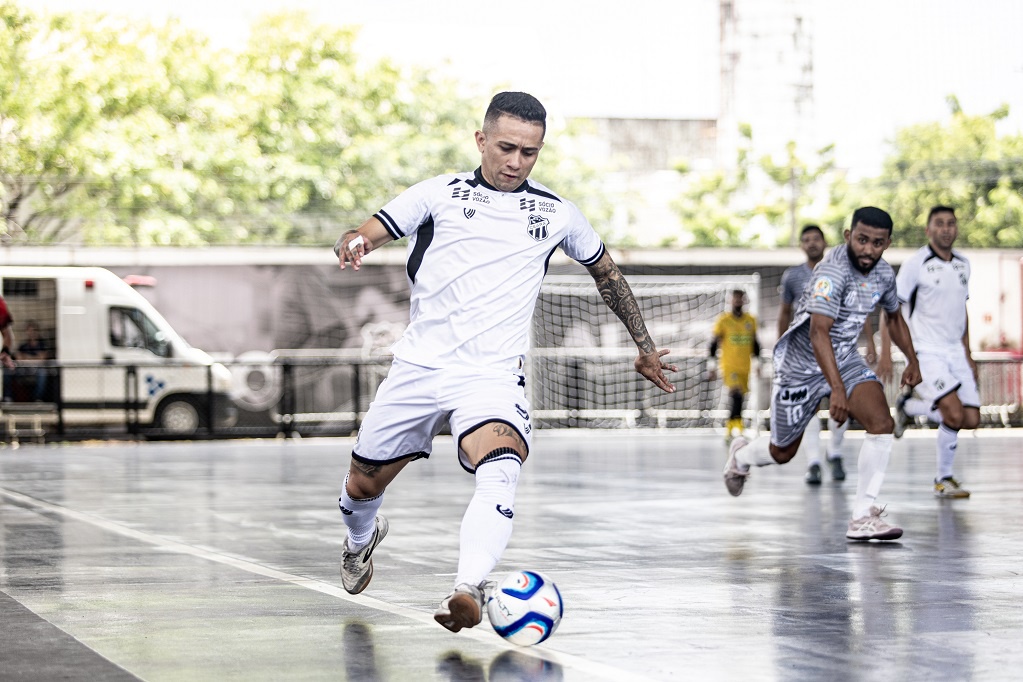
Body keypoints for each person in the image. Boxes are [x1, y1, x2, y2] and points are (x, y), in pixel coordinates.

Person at [332, 92, 677, 633]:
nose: (517, 162)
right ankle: (361, 539)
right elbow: (372, 228)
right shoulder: (438, 194)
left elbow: (606, 273)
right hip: (418, 369)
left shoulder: (557, 213)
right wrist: (355, 240)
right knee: (361, 486)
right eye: (507, 148)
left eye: (530, 153)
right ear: (482, 141)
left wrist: (644, 345)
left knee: (501, 467)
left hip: (491, 376)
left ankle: (466, 589)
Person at [723, 206, 922, 541]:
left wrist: (912, 359)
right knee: (782, 452)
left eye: (877, 243)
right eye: (861, 240)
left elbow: (894, 316)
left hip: (843, 357)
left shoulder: (884, 274)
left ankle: (862, 516)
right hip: (800, 367)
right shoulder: (832, 272)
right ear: (848, 237)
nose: (868, 249)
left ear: (887, 243)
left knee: (882, 423)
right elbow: (818, 333)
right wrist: (837, 391)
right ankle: (741, 455)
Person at [878, 206, 978, 498]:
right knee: (954, 414)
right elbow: (890, 310)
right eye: (939, 224)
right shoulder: (915, 264)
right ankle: (942, 480)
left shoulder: (963, 264)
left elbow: (962, 309)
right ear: (928, 230)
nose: (946, 228)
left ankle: (909, 408)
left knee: (971, 419)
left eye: (951, 223)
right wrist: (887, 353)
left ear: (956, 228)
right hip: (926, 351)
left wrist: (968, 352)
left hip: (955, 352)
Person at [778, 224, 878, 486]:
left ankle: (835, 454)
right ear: (801, 245)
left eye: (816, 239)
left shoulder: (843, 273)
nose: (811, 243)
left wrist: (870, 344)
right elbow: (784, 314)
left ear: (824, 243)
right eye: (806, 239)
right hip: (805, 355)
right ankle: (813, 462)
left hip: (841, 351)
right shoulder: (792, 277)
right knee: (809, 408)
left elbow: (860, 310)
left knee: (839, 402)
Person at [708, 289, 760, 443]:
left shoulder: (750, 320)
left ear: (744, 300)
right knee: (736, 394)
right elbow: (713, 344)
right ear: (730, 300)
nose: (737, 301)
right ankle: (738, 428)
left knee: (741, 397)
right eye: (735, 298)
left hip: (745, 365)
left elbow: (755, 343)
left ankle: (731, 428)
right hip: (729, 365)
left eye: (740, 298)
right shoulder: (723, 320)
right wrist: (712, 367)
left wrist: (758, 363)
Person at [3, 320, 51, 401]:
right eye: (29, 331)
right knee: (8, 371)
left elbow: (42, 359)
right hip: (24, 370)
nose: (31, 333)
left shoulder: (43, 345)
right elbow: (18, 358)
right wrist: (34, 358)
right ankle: (8, 397)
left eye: (34, 330)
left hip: (36, 370)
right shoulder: (23, 346)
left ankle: (38, 399)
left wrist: (26, 357)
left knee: (43, 373)